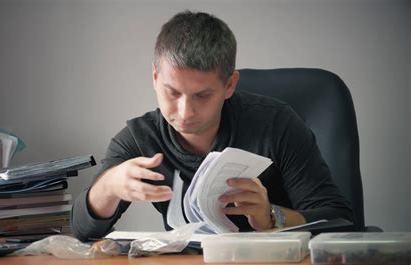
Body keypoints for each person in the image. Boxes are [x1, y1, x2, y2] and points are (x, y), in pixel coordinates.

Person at [71, 11, 354, 241]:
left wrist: (271, 216)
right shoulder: (138, 139)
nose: (185, 112)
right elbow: (83, 230)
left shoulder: (276, 124)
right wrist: (108, 187)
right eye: (172, 92)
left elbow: (339, 219)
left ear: (229, 85)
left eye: (202, 96)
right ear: (155, 78)